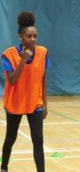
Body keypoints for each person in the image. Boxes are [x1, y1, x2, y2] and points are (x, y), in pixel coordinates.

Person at [1, 11, 50, 172]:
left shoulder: (42, 52)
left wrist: (45, 104)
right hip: (15, 102)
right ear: (21, 36)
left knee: (38, 140)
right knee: (11, 137)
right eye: (29, 36)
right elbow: (12, 80)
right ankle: (4, 166)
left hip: (35, 103)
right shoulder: (9, 55)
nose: (33, 39)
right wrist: (22, 60)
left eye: (35, 36)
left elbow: (43, 79)